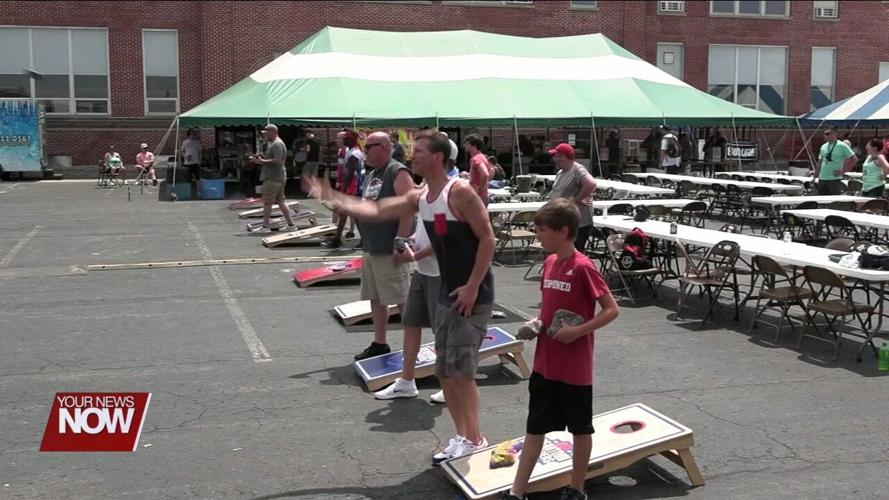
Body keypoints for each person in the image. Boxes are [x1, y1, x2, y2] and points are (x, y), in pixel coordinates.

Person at [306, 130, 495, 464]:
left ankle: (475, 437)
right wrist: (330, 195)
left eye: (419, 151)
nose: (413, 155)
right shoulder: (422, 196)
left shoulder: (460, 192)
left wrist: (472, 286)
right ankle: (463, 436)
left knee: (461, 374)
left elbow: (487, 240)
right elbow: (377, 210)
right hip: (447, 291)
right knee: (445, 372)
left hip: (470, 295)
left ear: (438, 157)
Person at [502, 198, 620, 500]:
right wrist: (535, 324)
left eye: (542, 230)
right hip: (545, 364)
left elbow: (611, 310)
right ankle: (517, 492)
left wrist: (577, 332)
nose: (537, 234)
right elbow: (548, 310)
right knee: (534, 429)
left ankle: (577, 489)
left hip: (574, 369)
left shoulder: (583, 267)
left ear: (563, 231)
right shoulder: (551, 263)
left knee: (580, 430)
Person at [351, 131, 414, 360]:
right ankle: (380, 342)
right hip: (371, 246)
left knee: (401, 297)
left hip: (389, 248)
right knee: (376, 297)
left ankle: (412, 345)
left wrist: (400, 242)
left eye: (369, 147)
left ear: (385, 147)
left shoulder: (396, 171)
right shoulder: (373, 174)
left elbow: (409, 207)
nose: (364, 151)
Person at [548, 143, 596, 252]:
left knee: (574, 255)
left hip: (577, 224)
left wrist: (577, 199)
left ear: (563, 156)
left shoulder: (577, 170)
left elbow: (591, 183)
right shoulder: (561, 172)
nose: (554, 159)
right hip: (563, 221)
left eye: (556, 156)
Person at [249, 124, 296, 233]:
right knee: (280, 201)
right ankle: (291, 224)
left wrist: (260, 161)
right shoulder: (275, 144)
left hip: (273, 177)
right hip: (277, 176)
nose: (265, 135)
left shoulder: (277, 144)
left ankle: (265, 227)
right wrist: (262, 157)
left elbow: (278, 161)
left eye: (266, 133)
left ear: (272, 132)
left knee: (267, 202)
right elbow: (274, 159)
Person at [324, 130, 363, 248]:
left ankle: (338, 240)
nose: (344, 140)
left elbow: (349, 173)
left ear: (351, 140)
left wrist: (343, 189)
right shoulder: (351, 151)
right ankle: (337, 240)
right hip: (352, 185)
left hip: (352, 186)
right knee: (347, 213)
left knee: (350, 213)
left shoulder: (354, 154)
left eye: (346, 138)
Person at [814, 127, 857, 195]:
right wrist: (815, 176)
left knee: (834, 200)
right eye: (824, 134)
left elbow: (854, 159)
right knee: (821, 199)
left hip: (834, 178)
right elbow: (819, 162)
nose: (825, 136)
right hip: (822, 178)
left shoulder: (842, 145)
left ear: (835, 134)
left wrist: (843, 171)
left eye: (827, 134)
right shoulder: (823, 146)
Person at [464, 134, 492, 205]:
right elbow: (489, 171)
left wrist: (480, 189)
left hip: (478, 197)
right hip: (481, 197)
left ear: (474, 145)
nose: (465, 145)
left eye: (467, 143)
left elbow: (485, 174)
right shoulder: (480, 156)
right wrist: (469, 175)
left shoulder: (477, 158)